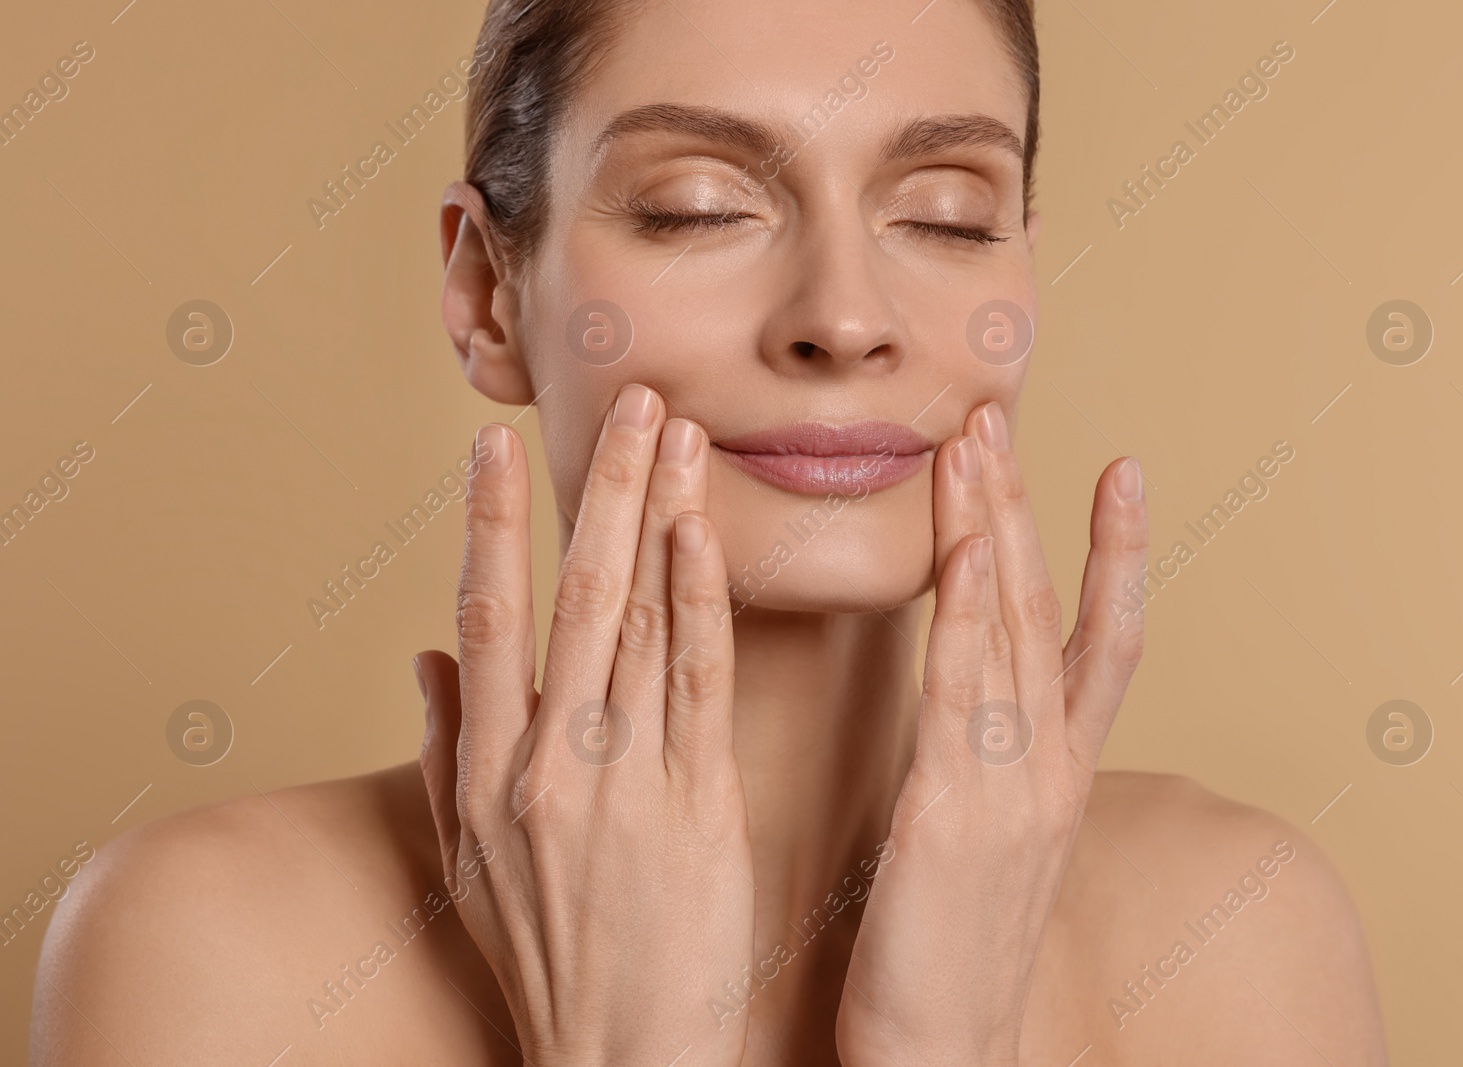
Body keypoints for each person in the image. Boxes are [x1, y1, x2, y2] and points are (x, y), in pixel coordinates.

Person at [31, 0, 1387, 1062]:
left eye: (945, 215)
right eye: (699, 207)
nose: (846, 317)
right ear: (488, 293)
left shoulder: (1232, 938)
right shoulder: (212, 952)